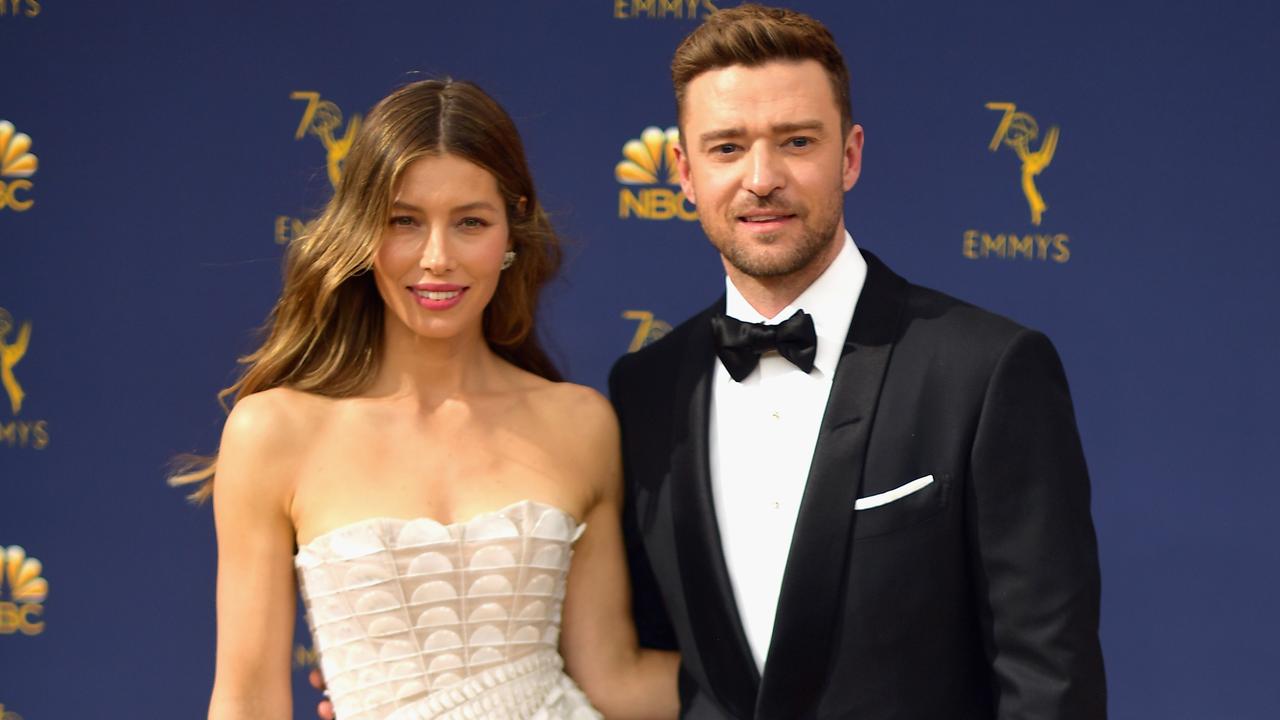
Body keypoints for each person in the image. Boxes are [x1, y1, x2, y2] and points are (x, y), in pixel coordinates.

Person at [609, 4, 1107, 718]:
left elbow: (1048, 677)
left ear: (850, 154)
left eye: (796, 141)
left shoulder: (986, 371)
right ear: (683, 172)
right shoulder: (645, 388)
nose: (761, 177)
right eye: (726, 148)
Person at [173, 79, 678, 720]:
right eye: (404, 222)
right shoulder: (273, 431)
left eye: (470, 222)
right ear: (361, 232)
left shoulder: (579, 422)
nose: (436, 258)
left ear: (511, 230)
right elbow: (246, 704)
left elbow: (614, 679)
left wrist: (823, 680)